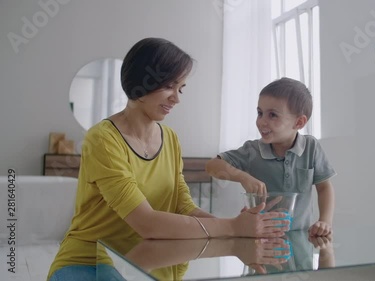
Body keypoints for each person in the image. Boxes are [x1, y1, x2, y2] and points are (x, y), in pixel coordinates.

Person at [47, 38, 288, 281]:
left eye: (181, 88)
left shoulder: (170, 139)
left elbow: (183, 207)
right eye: (169, 86)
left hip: (150, 257)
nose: (177, 98)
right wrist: (233, 227)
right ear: (141, 82)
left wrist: (240, 229)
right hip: (88, 260)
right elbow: (147, 223)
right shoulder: (102, 139)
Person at [206, 77, 336, 237]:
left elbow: (324, 188)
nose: (262, 122)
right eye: (260, 113)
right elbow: (212, 166)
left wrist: (325, 221)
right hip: (260, 240)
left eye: (272, 115)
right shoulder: (252, 150)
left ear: (299, 123)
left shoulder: (311, 147)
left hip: (300, 240)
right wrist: (243, 177)